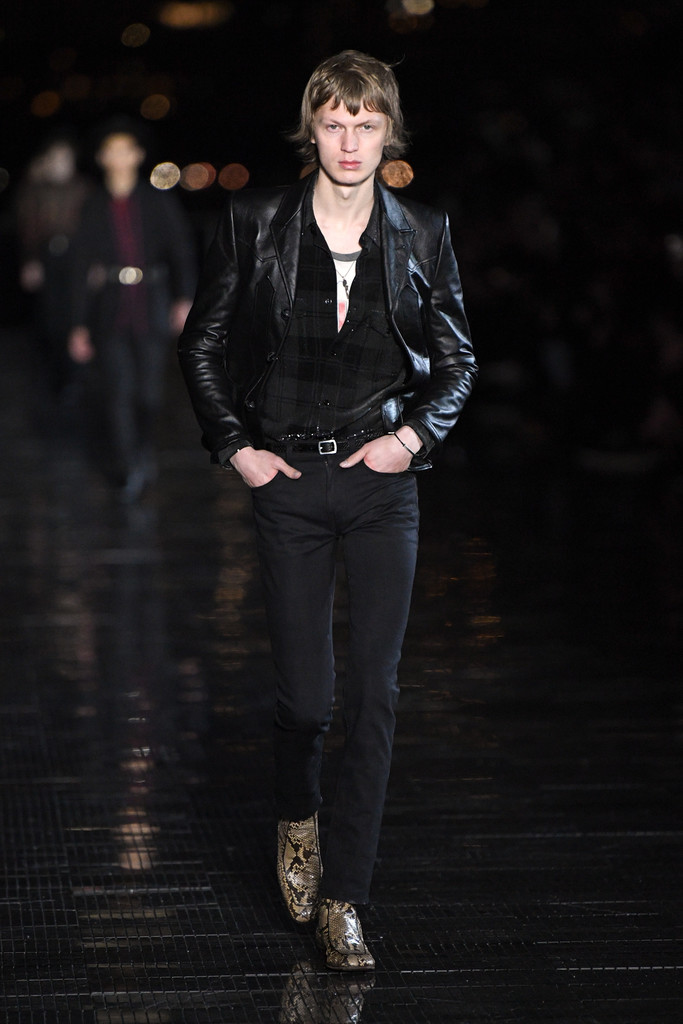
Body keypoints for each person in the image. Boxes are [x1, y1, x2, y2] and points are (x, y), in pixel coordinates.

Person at [178, 50, 477, 971]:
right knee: (306, 702)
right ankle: (296, 815)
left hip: (383, 482)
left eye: (367, 124)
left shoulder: (421, 231)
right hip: (291, 483)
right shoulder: (256, 221)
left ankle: (345, 895)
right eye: (335, 123)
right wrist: (238, 449)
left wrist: (412, 440)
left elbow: (457, 359)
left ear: (389, 133)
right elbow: (203, 343)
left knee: (376, 694)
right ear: (311, 128)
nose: (350, 142)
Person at [68, 118, 195, 502]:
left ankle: (142, 451)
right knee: (118, 391)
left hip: (150, 301)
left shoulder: (157, 200)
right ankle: (127, 467)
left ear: (138, 156)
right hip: (110, 306)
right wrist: (78, 325)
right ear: (101, 157)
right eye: (112, 150)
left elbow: (181, 249)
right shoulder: (92, 205)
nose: (120, 157)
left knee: (149, 394)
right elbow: (79, 266)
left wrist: (183, 298)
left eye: (126, 150)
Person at [15, 130, 92, 400]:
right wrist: (30, 261)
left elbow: (93, 229)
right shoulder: (35, 188)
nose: (60, 163)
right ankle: (54, 376)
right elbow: (27, 228)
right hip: (47, 256)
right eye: (55, 158)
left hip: (76, 257)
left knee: (76, 314)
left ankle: (76, 377)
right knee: (49, 318)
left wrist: (94, 262)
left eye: (65, 158)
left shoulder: (84, 187)